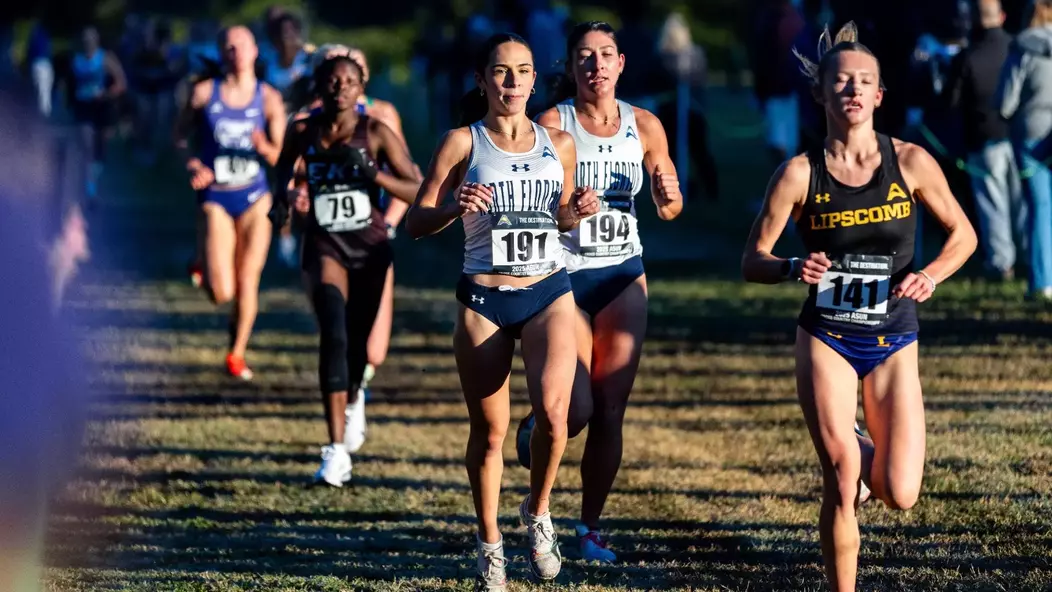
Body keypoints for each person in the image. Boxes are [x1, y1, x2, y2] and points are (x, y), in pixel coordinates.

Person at [741, 23, 976, 592]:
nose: (852, 90)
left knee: (900, 492)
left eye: (863, 82)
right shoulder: (799, 173)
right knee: (843, 477)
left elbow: (963, 236)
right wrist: (795, 268)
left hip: (895, 335)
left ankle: (857, 438)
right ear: (820, 93)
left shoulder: (913, 163)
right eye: (841, 81)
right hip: (827, 337)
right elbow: (754, 259)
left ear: (878, 95)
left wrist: (929, 275)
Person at [405, 32, 599, 592]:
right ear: (482, 80)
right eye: (501, 72)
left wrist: (577, 210)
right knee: (489, 435)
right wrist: (450, 206)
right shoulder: (461, 143)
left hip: (547, 290)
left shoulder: (559, 143)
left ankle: (538, 513)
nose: (512, 82)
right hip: (485, 297)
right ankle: (490, 546)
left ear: (535, 80)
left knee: (556, 418)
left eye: (523, 71)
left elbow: (559, 215)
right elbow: (415, 224)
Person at [514, 21, 683, 563]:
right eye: (585, 57)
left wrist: (667, 195)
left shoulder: (646, 125)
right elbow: (532, 205)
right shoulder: (550, 123)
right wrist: (569, 212)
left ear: (621, 63)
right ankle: (539, 431)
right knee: (575, 411)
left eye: (605, 55)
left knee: (612, 409)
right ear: (571, 66)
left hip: (622, 273)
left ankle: (588, 531)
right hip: (564, 275)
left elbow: (671, 204)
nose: (596, 66)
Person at [270, 54, 422, 486]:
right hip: (324, 246)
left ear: (361, 88)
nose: (340, 88)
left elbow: (415, 186)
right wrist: (283, 200)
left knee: (357, 346)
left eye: (349, 81)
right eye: (332, 81)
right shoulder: (304, 131)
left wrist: (374, 175)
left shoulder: (374, 131)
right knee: (333, 333)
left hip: (370, 250)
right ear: (320, 86)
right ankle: (335, 451)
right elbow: (283, 167)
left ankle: (354, 397)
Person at [173, 26, 286, 380]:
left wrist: (264, 147)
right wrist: (192, 163)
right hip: (216, 197)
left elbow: (281, 154)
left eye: (240, 46)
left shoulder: (268, 98)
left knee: (248, 279)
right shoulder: (205, 92)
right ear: (222, 54)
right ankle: (202, 262)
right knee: (222, 291)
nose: (234, 52)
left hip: (254, 196)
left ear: (255, 51)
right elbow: (178, 137)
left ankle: (236, 353)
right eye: (228, 47)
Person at [948, 0, 1025, 283]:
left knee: (993, 205)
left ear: (975, 21)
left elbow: (951, 101)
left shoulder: (967, 55)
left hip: (982, 139)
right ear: (1003, 16)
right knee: (1022, 203)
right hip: (1018, 139)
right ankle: (1033, 259)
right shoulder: (1018, 48)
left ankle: (1001, 263)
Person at [996, 0, 1052, 301]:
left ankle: (1043, 280)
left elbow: (1006, 101)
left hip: (1031, 134)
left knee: (1040, 208)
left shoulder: (1023, 47)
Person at [68, 26, 126, 205]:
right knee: (87, 146)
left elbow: (121, 83)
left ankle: (97, 179)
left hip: (102, 107)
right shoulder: (75, 60)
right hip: (83, 108)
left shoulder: (105, 58)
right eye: (85, 40)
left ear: (96, 41)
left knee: (100, 147)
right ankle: (89, 189)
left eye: (91, 40)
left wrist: (107, 94)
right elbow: (68, 84)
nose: (88, 44)